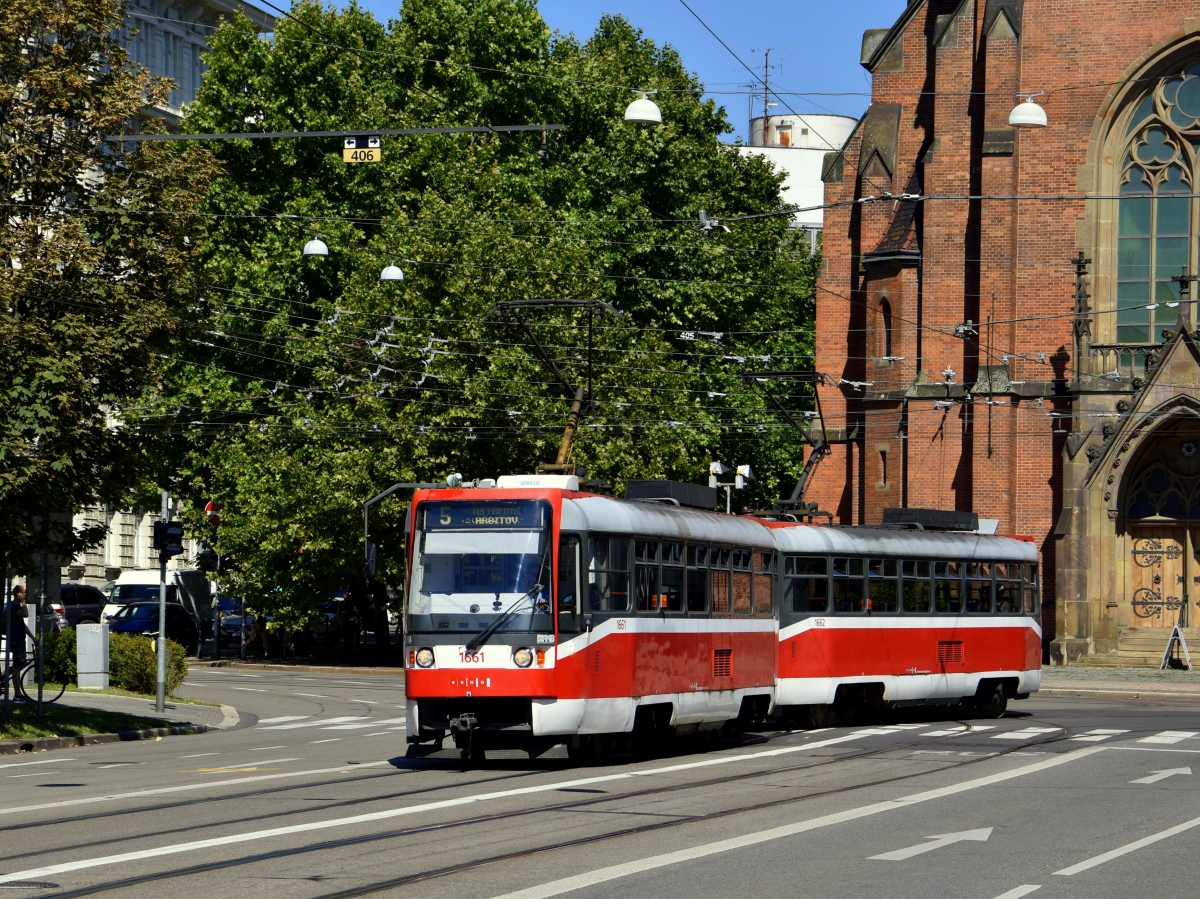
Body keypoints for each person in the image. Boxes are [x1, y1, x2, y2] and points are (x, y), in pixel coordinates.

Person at [5, 583, 29, 677]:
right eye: (24, 592)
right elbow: (26, 614)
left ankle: (3, 676)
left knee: (21, 664)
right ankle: (17, 691)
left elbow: (23, 626)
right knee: (18, 665)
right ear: (18, 593)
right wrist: (23, 601)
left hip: (19, 639)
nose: (25, 594)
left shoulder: (15, 605)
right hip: (16, 640)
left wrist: (33, 638)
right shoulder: (14, 606)